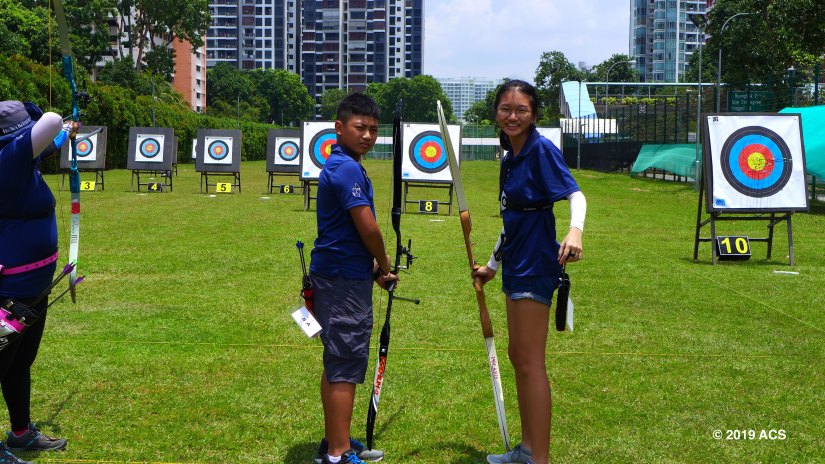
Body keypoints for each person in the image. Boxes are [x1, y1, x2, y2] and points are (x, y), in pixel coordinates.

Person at [472, 81, 587, 464]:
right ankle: (527, 449)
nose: (513, 116)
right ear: (496, 113)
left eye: (521, 109)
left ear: (534, 114)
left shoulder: (540, 150)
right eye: (505, 109)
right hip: (515, 265)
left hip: (536, 264)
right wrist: (491, 266)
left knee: (530, 361)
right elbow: (512, 221)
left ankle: (539, 458)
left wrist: (574, 231)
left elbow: (576, 195)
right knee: (518, 355)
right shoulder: (510, 158)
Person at [309, 93, 398, 464]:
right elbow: (368, 227)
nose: (367, 136)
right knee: (344, 363)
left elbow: (350, 232)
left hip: (340, 274)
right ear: (339, 127)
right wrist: (384, 262)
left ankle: (336, 439)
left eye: (374, 129)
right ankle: (338, 453)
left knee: (337, 362)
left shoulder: (344, 165)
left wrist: (374, 271)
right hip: (341, 280)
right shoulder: (345, 168)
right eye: (360, 127)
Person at [0, 100, 73, 464]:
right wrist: (57, 123)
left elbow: (51, 136)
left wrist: (68, 132)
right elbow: (51, 121)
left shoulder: (21, 160)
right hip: (11, 293)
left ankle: (20, 432)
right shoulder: (9, 160)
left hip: (35, 287)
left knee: (19, 363)